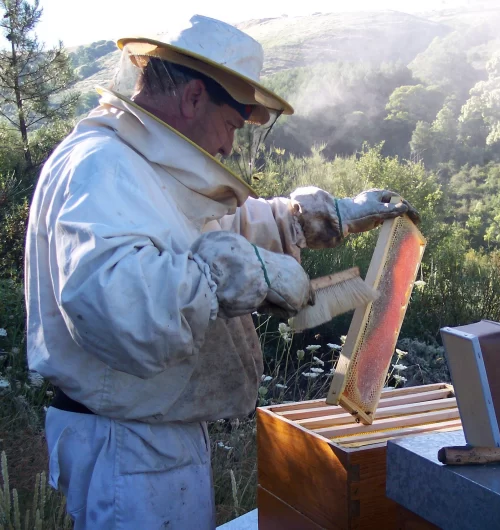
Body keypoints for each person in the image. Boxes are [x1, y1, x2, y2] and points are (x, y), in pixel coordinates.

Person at [25, 15, 418, 530]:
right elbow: (113, 299)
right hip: (126, 445)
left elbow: (224, 224)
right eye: (233, 125)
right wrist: (233, 273)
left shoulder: (149, 166)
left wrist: (326, 216)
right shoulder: (102, 164)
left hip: (152, 430)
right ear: (192, 98)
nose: (230, 147)